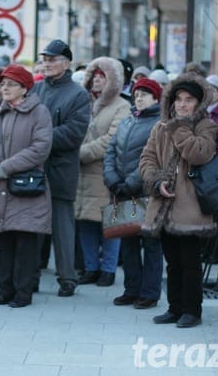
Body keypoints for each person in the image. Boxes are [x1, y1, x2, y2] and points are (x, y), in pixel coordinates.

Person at [140, 73, 218, 328]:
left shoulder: (206, 125)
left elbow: (199, 153)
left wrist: (179, 128)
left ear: (198, 102)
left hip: (192, 204)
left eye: (189, 100)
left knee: (190, 261)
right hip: (164, 202)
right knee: (172, 260)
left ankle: (192, 310)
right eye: (179, 100)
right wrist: (155, 181)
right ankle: (174, 307)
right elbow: (147, 157)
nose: (183, 104)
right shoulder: (160, 125)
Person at [0, 64, 52, 307]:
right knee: (5, 241)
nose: (5, 88)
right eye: (3, 84)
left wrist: (5, 167)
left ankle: (23, 292)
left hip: (25, 187)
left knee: (26, 242)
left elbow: (40, 148)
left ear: (24, 88)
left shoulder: (39, 112)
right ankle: (4, 290)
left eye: (11, 84)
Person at [32, 40, 91, 297]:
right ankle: (29, 276)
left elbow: (74, 133)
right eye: (45, 59)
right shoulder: (34, 90)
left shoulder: (78, 94)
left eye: (52, 59)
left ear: (66, 63)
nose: (47, 63)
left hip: (60, 169)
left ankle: (67, 278)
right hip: (33, 168)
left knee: (62, 228)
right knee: (31, 226)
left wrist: (37, 139)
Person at [104, 77, 164, 309]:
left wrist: (130, 182)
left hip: (146, 192)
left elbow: (154, 158)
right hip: (122, 191)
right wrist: (112, 179)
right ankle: (131, 290)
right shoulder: (127, 121)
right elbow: (110, 150)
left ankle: (149, 293)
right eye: (137, 94)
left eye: (144, 94)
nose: (138, 98)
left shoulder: (158, 124)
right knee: (127, 244)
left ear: (156, 98)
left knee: (150, 244)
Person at [75, 57, 131, 287]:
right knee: (85, 221)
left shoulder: (122, 106)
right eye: (94, 76)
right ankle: (91, 268)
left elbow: (113, 139)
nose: (97, 81)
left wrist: (81, 152)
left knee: (110, 223)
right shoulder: (82, 102)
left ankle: (108, 269)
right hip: (81, 174)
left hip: (106, 172)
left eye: (102, 77)